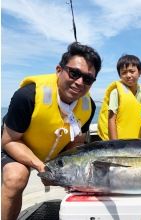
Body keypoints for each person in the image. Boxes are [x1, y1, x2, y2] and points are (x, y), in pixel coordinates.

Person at [1, 42, 102, 220]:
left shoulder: (88, 106)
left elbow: (76, 142)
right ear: (58, 70)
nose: (79, 82)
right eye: (74, 73)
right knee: (16, 178)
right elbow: (9, 140)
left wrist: (66, 170)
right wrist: (42, 167)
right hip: (17, 145)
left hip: (53, 152)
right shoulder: (27, 96)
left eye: (87, 79)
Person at [97, 54, 141, 140]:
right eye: (124, 72)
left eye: (132, 71)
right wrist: (115, 143)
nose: (128, 75)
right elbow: (111, 119)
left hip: (139, 141)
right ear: (120, 75)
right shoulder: (116, 92)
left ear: (140, 72)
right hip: (121, 142)